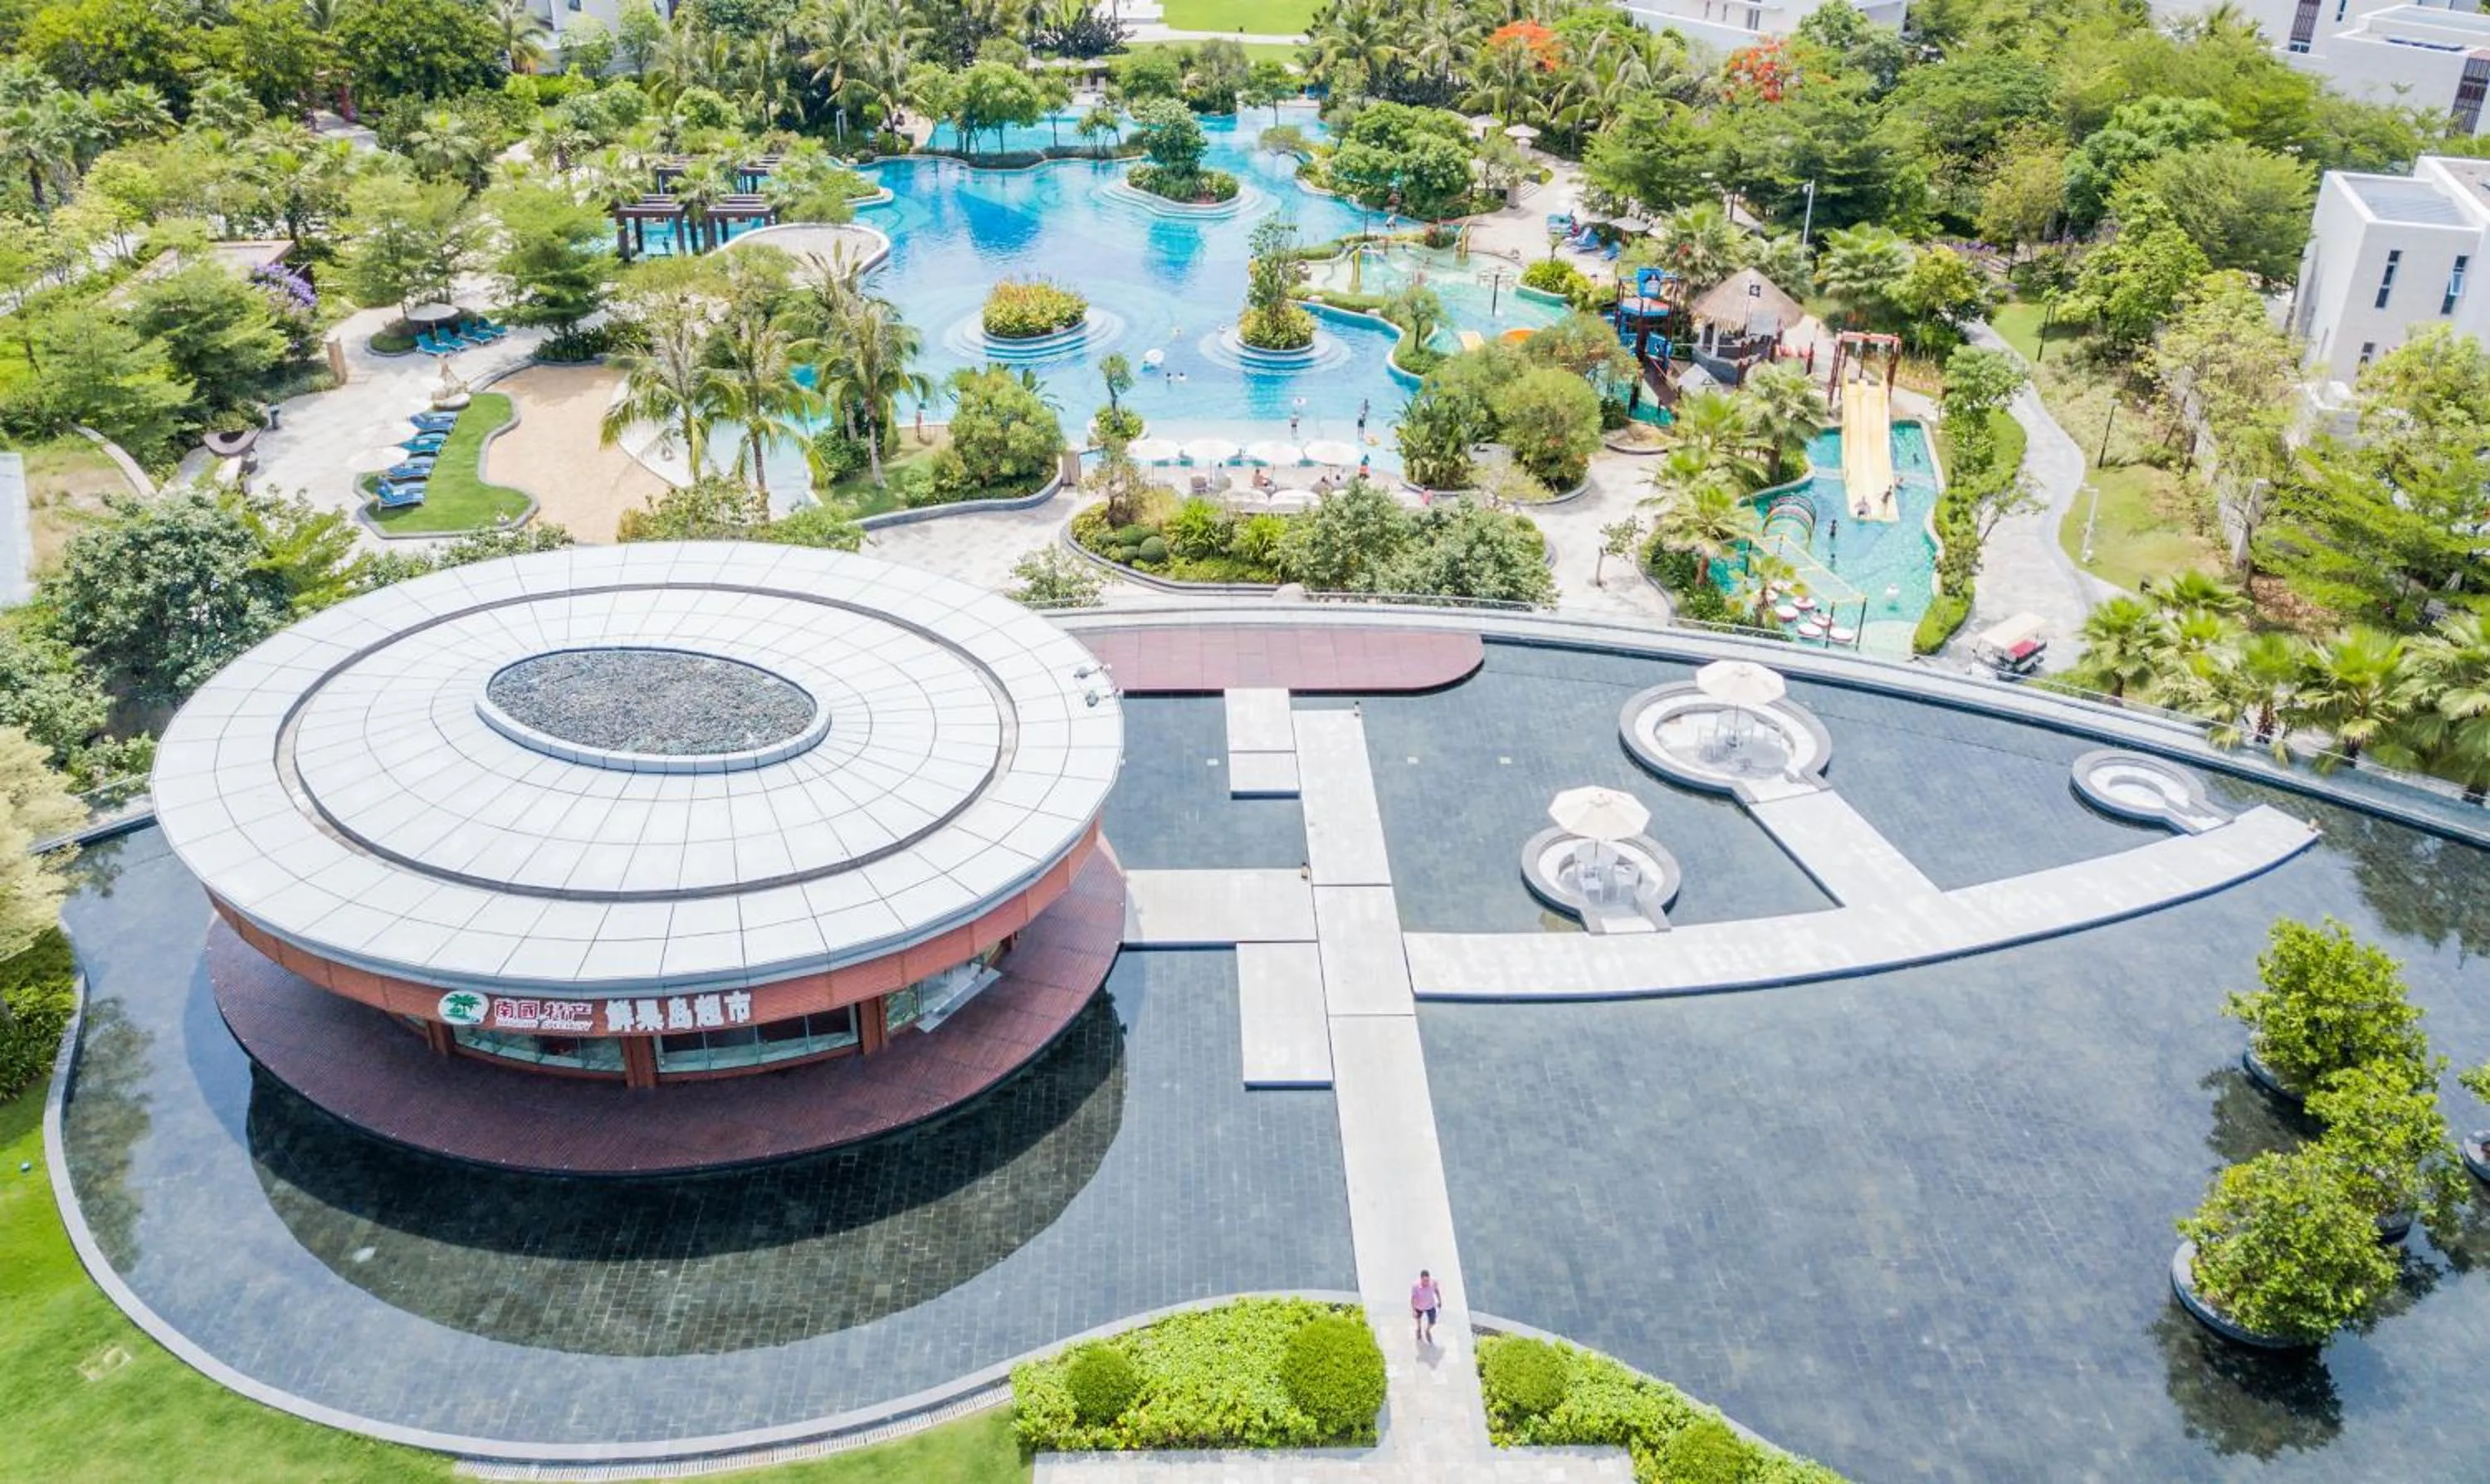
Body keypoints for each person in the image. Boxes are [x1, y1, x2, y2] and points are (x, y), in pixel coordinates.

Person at [1411, 1270, 1441, 1346]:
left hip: (1430, 1306)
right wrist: (1414, 1310)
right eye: (1424, 1281)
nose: (1426, 1283)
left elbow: (1436, 1290)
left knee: (1433, 1321)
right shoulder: (1415, 1286)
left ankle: (1427, 1330)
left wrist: (1439, 1300)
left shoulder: (1433, 1283)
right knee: (1418, 1320)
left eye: (1428, 1280)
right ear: (1421, 1279)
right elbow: (1413, 1299)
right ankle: (1419, 1329)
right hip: (1419, 1307)